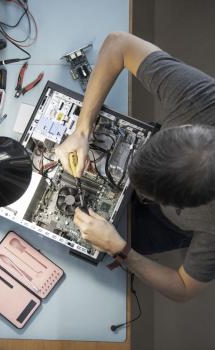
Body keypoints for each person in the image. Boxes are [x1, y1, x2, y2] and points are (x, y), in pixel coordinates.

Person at [55, 32, 215, 302]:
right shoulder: (200, 99)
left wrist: (120, 249)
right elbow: (118, 44)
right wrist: (82, 131)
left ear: (192, 205)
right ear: (186, 127)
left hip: (161, 226)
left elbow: (183, 288)